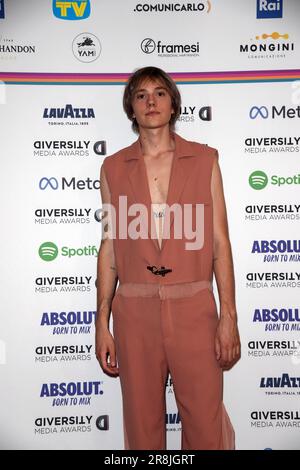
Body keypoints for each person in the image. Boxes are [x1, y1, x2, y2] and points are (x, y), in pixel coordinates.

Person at [95, 66, 240, 450]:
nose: (151, 102)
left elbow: (220, 242)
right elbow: (109, 244)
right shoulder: (111, 168)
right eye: (141, 95)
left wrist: (229, 316)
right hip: (135, 311)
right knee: (141, 429)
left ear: (173, 104)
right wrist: (101, 321)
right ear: (131, 108)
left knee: (206, 426)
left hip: (194, 307)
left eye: (159, 93)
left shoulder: (205, 160)